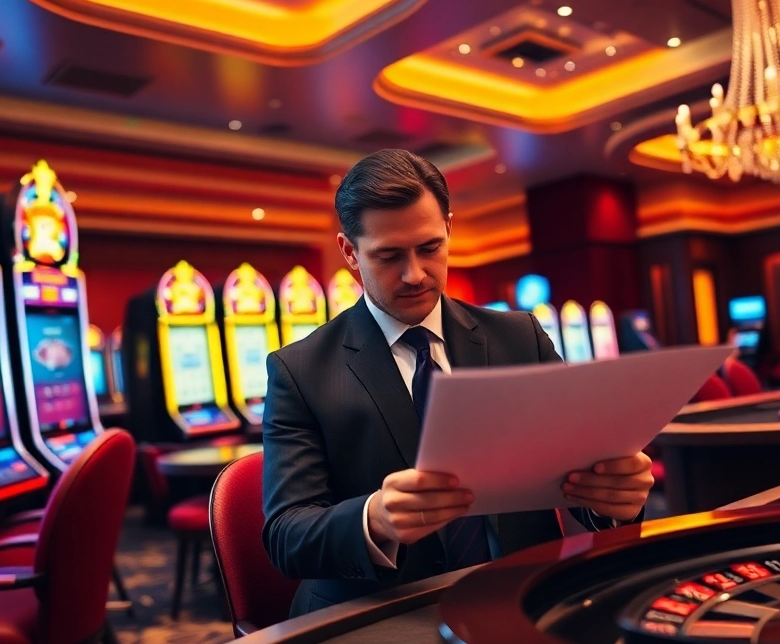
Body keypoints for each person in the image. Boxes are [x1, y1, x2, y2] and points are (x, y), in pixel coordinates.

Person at [262, 149, 653, 616]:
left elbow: (582, 472)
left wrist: (613, 498)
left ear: (448, 228)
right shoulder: (300, 370)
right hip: (379, 616)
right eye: (389, 256)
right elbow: (286, 535)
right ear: (350, 252)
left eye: (430, 248)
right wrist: (374, 519)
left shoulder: (520, 337)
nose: (415, 274)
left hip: (520, 597)